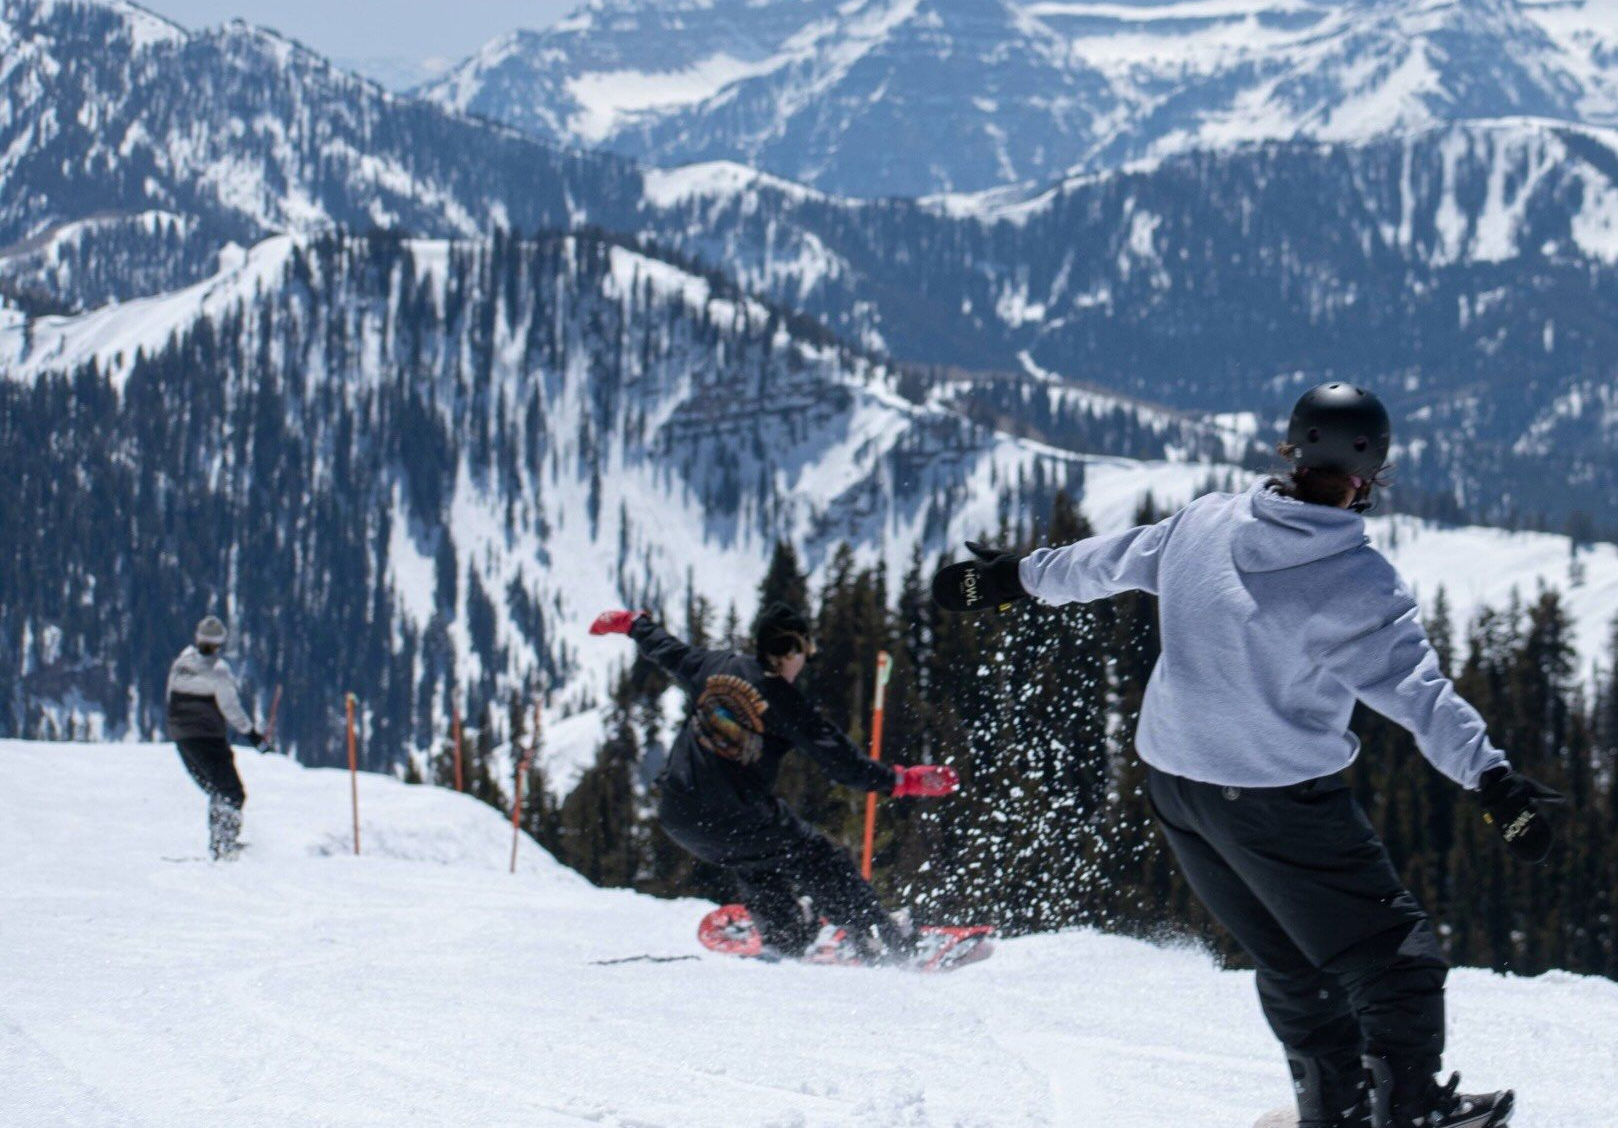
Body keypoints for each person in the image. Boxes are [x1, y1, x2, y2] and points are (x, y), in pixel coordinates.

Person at [934, 383, 1557, 1128]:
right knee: (1396, 956)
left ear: (1290, 450)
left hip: (1177, 787)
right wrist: (1491, 779)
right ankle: (1413, 1112)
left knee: (1294, 960)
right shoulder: (1357, 580)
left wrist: (1008, 578)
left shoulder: (1206, 521)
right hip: (1276, 798)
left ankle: (1334, 1110)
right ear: (1368, 477)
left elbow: (1099, 563)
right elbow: (1419, 694)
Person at [587, 598, 960, 962]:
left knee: (757, 858)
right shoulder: (785, 701)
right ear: (793, 650)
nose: (807, 659)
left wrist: (633, 624)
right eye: (805, 649)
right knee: (818, 856)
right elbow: (845, 765)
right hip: (736, 818)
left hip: (678, 815)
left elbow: (666, 650)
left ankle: (787, 934)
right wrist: (905, 780)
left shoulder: (713, 665)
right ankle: (882, 938)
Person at [166, 615, 266, 860]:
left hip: (181, 736)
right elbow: (231, 708)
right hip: (207, 737)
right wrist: (254, 737)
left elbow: (170, 696)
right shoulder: (218, 672)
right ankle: (224, 845)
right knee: (231, 791)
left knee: (217, 789)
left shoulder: (181, 663)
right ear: (221, 643)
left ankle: (220, 842)